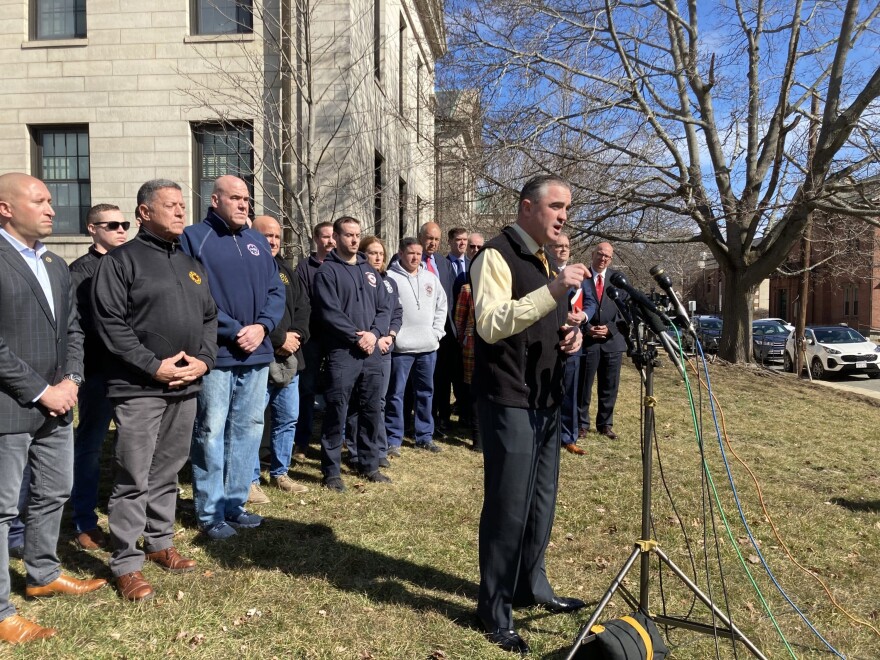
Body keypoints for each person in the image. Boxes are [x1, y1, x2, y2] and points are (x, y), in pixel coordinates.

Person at [470, 174, 588, 654]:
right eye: (557, 206)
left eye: (567, 208)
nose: (564, 216)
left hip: (545, 400)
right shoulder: (496, 255)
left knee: (541, 503)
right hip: (508, 399)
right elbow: (492, 323)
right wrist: (557, 287)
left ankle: (530, 585)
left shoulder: (540, 260)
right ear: (527, 208)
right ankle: (493, 609)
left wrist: (570, 335)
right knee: (508, 507)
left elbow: (540, 320)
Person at [92, 179, 218, 601]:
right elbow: (110, 323)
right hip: (138, 386)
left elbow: (209, 319)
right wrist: (153, 366)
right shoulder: (121, 261)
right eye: (171, 205)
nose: (182, 211)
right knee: (133, 472)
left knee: (168, 468)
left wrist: (205, 359)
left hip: (185, 384)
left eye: (183, 205)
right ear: (144, 212)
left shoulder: (189, 262)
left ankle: (160, 542)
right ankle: (126, 561)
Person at [0, 173, 106, 645]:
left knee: (53, 491)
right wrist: (41, 390)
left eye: (50, 200)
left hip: (59, 404)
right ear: (5, 208)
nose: (51, 208)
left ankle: (42, 573)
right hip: (10, 406)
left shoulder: (55, 263)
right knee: (3, 509)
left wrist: (72, 380)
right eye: (39, 200)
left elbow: (74, 330)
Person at [181, 175, 285, 541]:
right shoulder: (194, 238)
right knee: (211, 431)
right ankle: (210, 513)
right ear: (215, 200)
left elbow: (276, 290)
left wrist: (262, 326)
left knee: (248, 428)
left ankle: (235, 504)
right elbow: (194, 293)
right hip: (217, 355)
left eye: (247, 199)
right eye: (236, 198)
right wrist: (232, 329)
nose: (244, 205)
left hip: (257, 352)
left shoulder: (256, 240)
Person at [313, 216, 392, 491]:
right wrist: (357, 337)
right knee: (338, 410)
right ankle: (331, 471)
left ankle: (369, 464)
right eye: (348, 235)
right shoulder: (327, 272)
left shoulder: (368, 270)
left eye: (358, 235)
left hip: (372, 353)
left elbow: (385, 307)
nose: (355, 240)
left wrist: (375, 334)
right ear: (336, 237)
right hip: (343, 353)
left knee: (371, 409)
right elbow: (329, 313)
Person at [68, 203, 130, 550]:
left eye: (124, 224)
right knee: (90, 446)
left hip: (133, 373)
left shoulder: (132, 263)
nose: (121, 230)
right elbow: (78, 326)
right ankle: (85, 521)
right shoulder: (80, 272)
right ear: (92, 229)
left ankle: (129, 513)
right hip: (97, 373)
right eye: (112, 225)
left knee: (133, 446)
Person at [248, 215, 311, 505]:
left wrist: (296, 335)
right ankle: (249, 480)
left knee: (287, 418)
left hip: (291, 359)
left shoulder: (286, 270)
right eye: (266, 236)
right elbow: (247, 315)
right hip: (259, 358)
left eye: (276, 236)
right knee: (252, 421)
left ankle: (280, 473)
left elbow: (302, 307)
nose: (272, 241)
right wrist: (277, 339)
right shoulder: (246, 269)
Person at [385, 237, 447, 454]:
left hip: (428, 347)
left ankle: (424, 436)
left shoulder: (430, 278)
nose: (415, 257)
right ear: (400, 253)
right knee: (396, 394)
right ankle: (393, 438)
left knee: (426, 393)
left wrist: (437, 333)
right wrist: (393, 336)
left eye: (418, 254)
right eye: (410, 253)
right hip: (401, 348)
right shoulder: (390, 277)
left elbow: (442, 306)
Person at [347, 236, 401, 464]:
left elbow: (395, 312)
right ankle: (355, 451)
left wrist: (389, 335)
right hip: (360, 346)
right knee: (356, 402)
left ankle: (378, 449)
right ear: (362, 254)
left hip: (384, 349)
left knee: (378, 401)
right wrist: (372, 337)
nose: (377, 257)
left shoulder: (389, 282)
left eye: (381, 253)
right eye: (372, 252)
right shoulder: (356, 278)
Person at [548, 233, 597, 455]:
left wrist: (584, 317)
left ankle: (568, 436)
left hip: (574, 341)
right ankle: (547, 435)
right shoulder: (545, 272)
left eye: (567, 246)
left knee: (570, 389)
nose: (563, 250)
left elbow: (591, 303)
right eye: (559, 246)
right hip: (548, 340)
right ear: (551, 248)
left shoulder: (582, 275)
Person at [293, 221, 335, 459]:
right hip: (312, 338)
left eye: (333, 237)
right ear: (316, 240)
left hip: (337, 338)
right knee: (306, 389)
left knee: (336, 389)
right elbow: (303, 302)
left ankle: (335, 438)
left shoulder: (342, 266)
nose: (330, 241)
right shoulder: (304, 268)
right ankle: (302, 441)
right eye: (325, 237)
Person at [579, 242, 627, 440]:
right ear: (593, 254)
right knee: (584, 385)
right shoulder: (581, 277)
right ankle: (581, 424)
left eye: (607, 256)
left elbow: (625, 312)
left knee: (609, 385)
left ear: (611, 259)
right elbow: (572, 307)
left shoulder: (618, 281)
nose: (603, 258)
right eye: (600, 254)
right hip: (587, 341)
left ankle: (605, 424)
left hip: (612, 341)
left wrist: (611, 329)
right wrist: (587, 328)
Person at [418, 222, 457, 433]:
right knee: (423, 378)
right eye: (429, 238)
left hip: (443, 331)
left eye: (436, 239)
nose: (432, 243)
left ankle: (442, 418)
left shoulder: (443, 262)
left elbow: (449, 296)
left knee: (442, 377)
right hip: (419, 330)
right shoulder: (410, 258)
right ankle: (421, 418)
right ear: (420, 237)